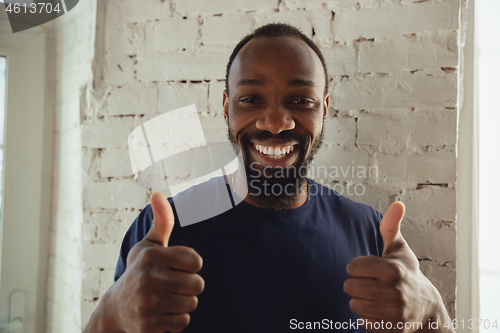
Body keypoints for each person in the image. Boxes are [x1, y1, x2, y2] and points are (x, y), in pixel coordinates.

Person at [83, 23, 454, 333]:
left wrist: (431, 312)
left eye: (300, 101)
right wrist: (110, 315)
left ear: (324, 110)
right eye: (251, 99)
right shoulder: (162, 232)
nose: (276, 123)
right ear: (227, 108)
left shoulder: (371, 231)